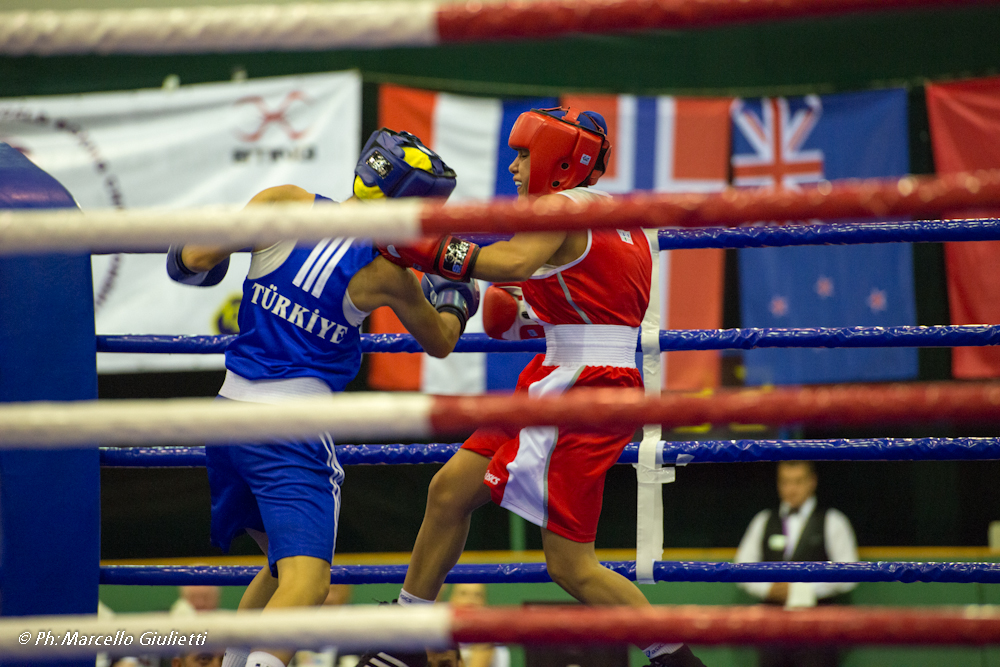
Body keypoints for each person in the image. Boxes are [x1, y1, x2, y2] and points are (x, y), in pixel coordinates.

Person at [368, 107, 705, 667]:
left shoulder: (557, 208)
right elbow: (595, 306)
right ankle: (407, 639)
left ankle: (678, 661)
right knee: (449, 490)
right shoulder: (626, 218)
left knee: (571, 566)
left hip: (580, 388)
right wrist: (524, 309)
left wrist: (417, 244)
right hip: (571, 376)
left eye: (525, 154)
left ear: (558, 158)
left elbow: (509, 259)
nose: (515, 166)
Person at [166, 129, 478, 667]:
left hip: (226, 414)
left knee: (281, 570)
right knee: (307, 586)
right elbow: (441, 341)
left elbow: (187, 260)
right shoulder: (388, 274)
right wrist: (454, 297)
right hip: (291, 427)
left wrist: (207, 257)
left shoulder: (282, 201)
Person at [735, 460, 859, 667]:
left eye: (798, 481)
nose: (791, 489)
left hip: (818, 630)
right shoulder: (763, 520)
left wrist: (800, 591)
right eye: (785, 482)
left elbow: (850, 574)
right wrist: (769, 589)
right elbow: (741, 569)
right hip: (772, 630)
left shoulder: (834, 521)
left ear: (812, 482)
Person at [445, 584, 509, 667]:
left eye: (477, 595)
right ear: (451, 598)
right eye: (463, 593)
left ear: (484, 602)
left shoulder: (487, 637)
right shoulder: (442, 634)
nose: (470, 600)